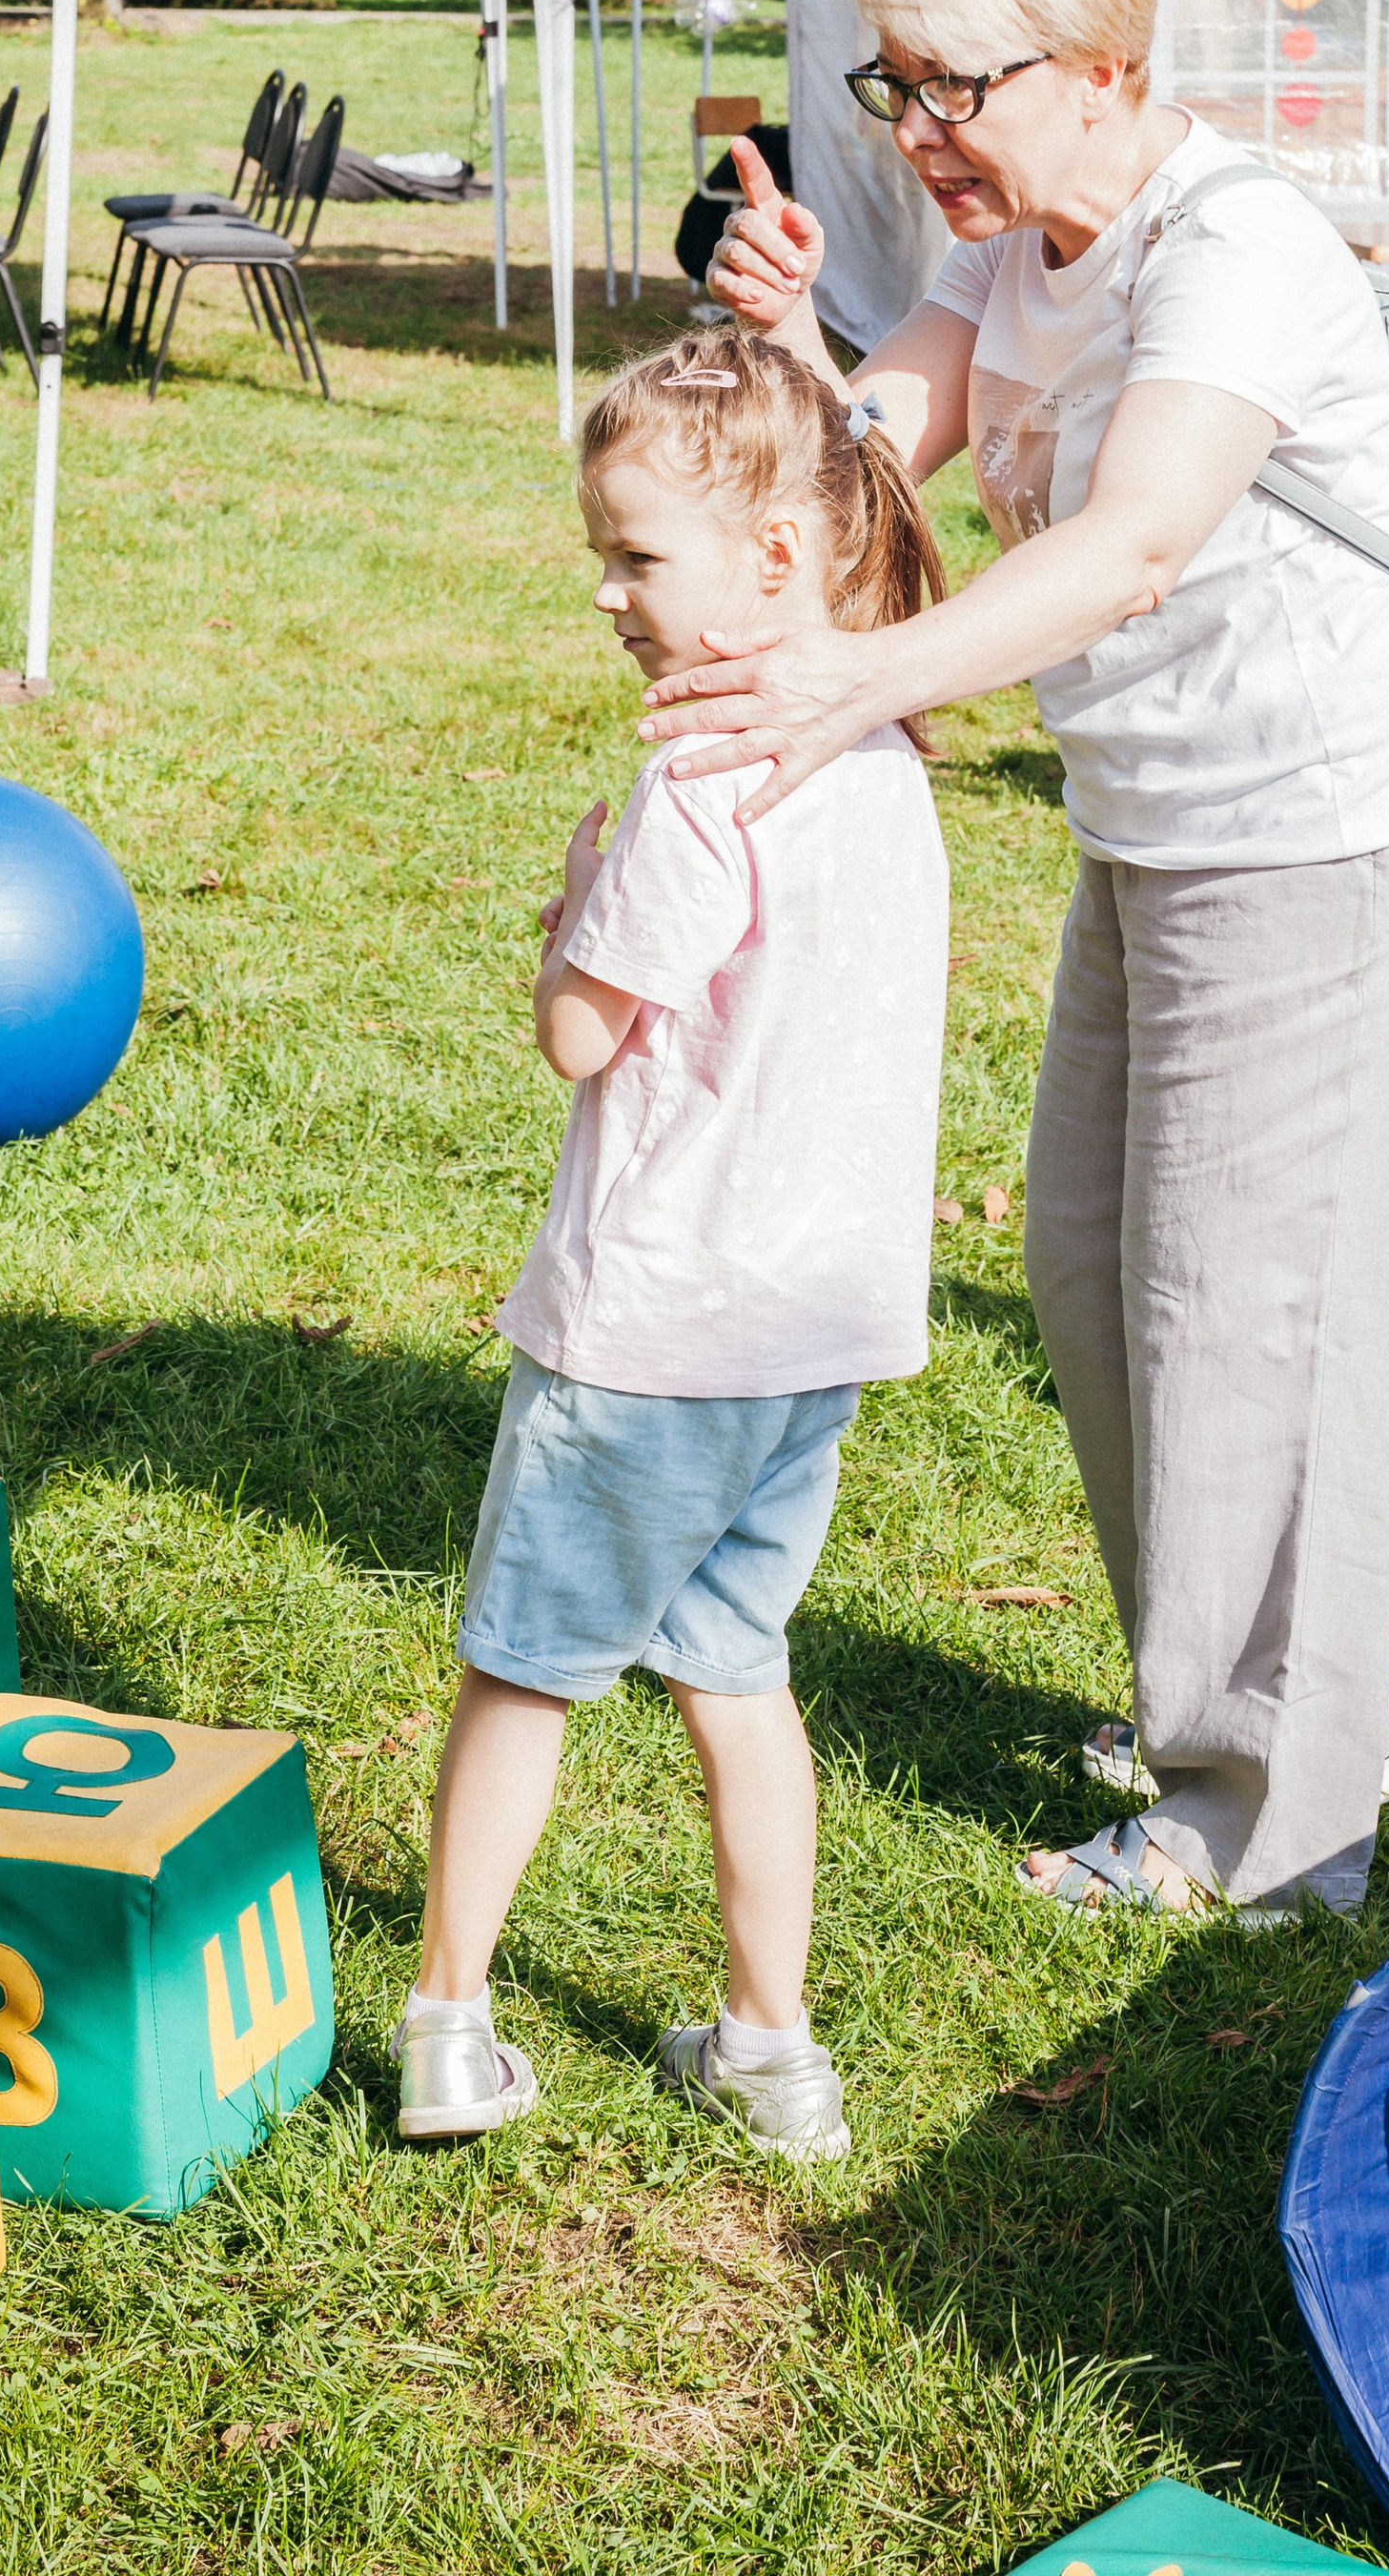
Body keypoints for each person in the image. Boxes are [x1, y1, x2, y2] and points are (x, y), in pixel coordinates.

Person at [671, 0, 1389, 1926]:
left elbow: (1133, 542)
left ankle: (1269, 1817)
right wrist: (789, 349)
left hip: (1337, 824)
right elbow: (874, 462)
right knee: (1092, 1274)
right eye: (891, 86)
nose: (912, 132)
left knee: (1247, 1312)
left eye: (949, 85)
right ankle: (1245, 1705)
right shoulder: (1006, 244)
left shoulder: (1230, 245)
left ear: (1104, 65)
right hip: (1165, 820)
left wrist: (859, 682)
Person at [397, 327, 950, 2160]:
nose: (608, 593)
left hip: (652, 1329)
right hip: (814, 1332)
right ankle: (774, 2050)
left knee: (523, 1667)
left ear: (776, 555)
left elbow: (582, 1032)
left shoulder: (704, 778)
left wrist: (576, 901)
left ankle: (449, 2021)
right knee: (741, 1669)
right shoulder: (890, 756)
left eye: (636, 555)